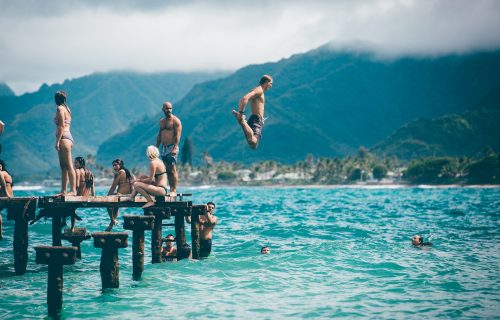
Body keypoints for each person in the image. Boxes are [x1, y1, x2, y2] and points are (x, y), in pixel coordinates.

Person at [232, 75, 273, 149]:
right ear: (266, 82)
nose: (271, 86)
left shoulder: (259, 91)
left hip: (256, 119)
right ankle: (242, 121)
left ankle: (242, 121)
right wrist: (241, 113)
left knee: (254, 145)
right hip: (256, 118)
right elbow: (245, 98)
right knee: (253, 141)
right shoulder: (259, 90)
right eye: (271, 83)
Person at [156, 102, 182, 198]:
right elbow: (159, 135)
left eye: (170, 108)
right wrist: (156, 147)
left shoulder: (176, 121)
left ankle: (173, 190)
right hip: (163, 147)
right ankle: (165, 188)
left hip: (172, 146)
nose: (169, 110)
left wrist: (175, 147)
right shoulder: (162, 121)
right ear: (163, 109)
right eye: (167, 108)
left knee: (172, 169)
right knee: (165, 169)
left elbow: (178, 135)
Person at [54, 91, 76, 196]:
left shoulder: (60, 109)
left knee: (68, 165)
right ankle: (63, 190)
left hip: (64, 137)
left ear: (56, 99)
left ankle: (72, 190)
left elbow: (61, 126)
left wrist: (57, 141)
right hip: (68, 137)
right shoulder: (67, 109)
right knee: (64, 166)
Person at [106, 159, 134, 231]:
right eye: (113, 166)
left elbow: (113, 187)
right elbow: (134, 180)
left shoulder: (119, 173)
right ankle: (112, 224)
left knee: (108, 205)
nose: (114, 167)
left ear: (120, 165)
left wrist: (107, 196)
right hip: (128, 195)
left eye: (115, 165)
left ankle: (112, 220)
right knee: (116, 207)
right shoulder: (128, 172)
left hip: (121, 195)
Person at [0, 159, 14, 240]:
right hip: (10, 197)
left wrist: (6, 194)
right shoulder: (7, 174)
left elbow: (3, 184)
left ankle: (0, 233)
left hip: (5, 198)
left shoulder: (0, 173)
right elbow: (8, 186)